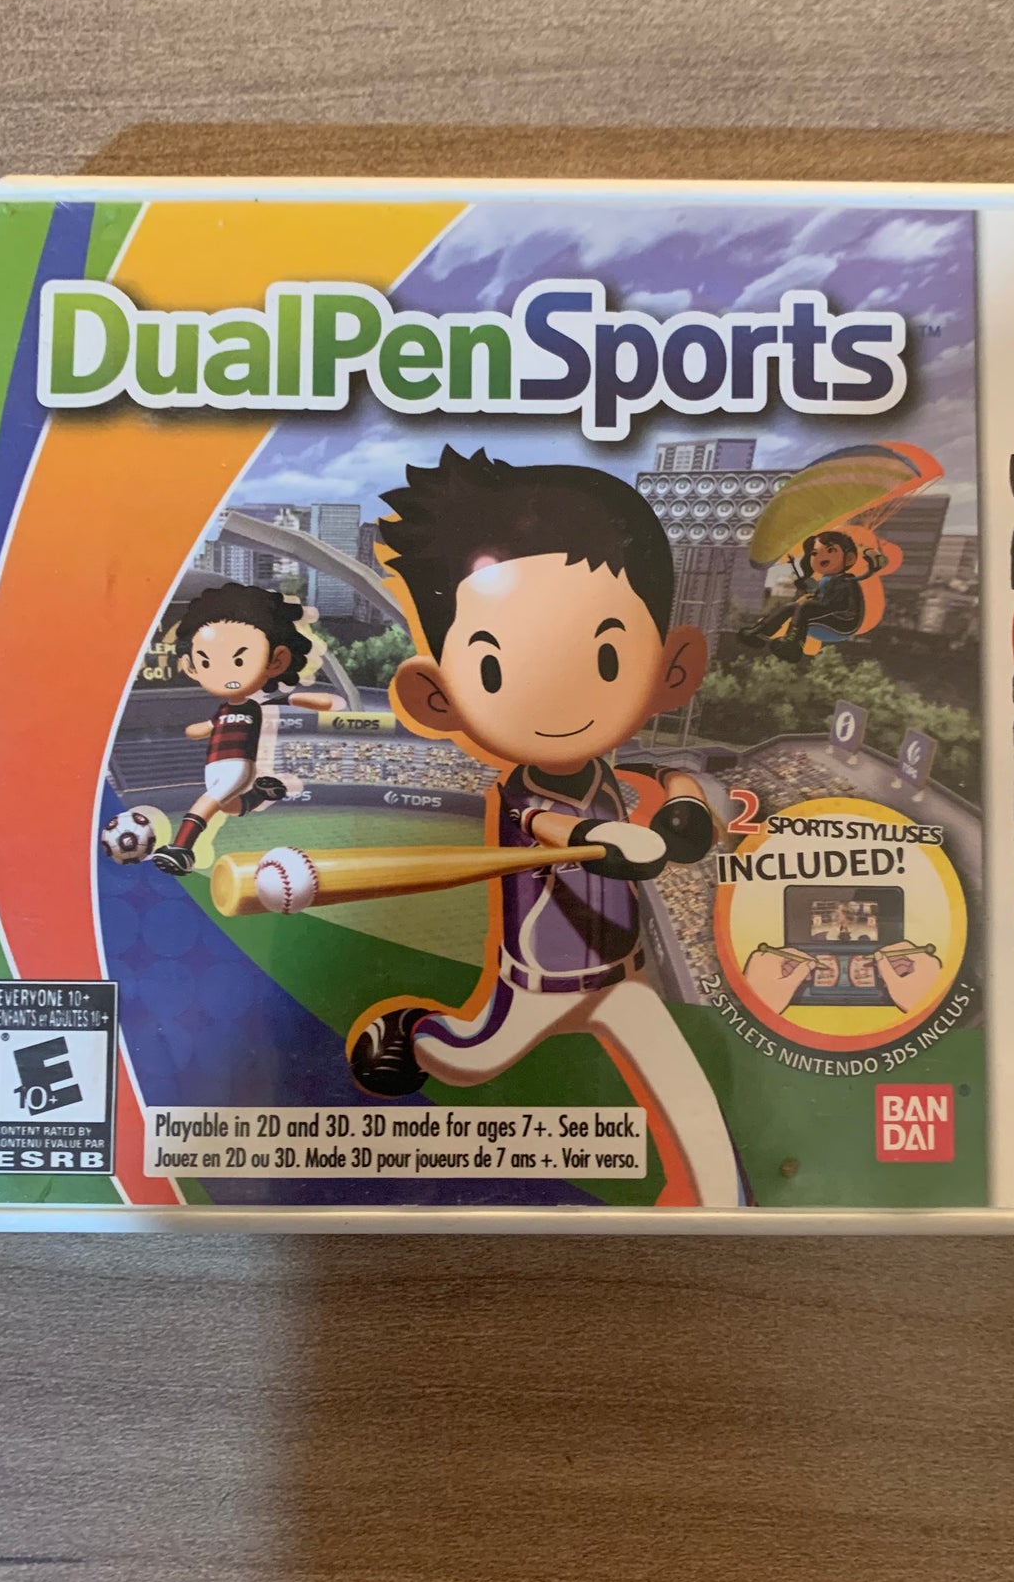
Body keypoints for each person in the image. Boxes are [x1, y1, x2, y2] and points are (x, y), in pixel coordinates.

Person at [348, 446, 741, 1209]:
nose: (560, 697)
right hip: (532, 988)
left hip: (621, 979)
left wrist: (687, 807)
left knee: (692, 1106)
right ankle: (410, 1030)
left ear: (670, 668)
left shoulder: (616, 771)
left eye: (606, 655)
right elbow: (547, 824)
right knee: (463, 1059)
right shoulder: (521, 797)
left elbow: (673, 780)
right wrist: (603, 841)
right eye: (493, 669)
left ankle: (724, 1207)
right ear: (439, 697)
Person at [151, 583, 336, 876]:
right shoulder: (223, 710)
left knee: (207, 803)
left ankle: (181, 849)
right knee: (227, 806)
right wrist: (196, 730)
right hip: (213, 766)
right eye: (206, 662)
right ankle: (260, 795)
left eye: (238, 660)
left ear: (277, 660)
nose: (225, 673)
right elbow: (206, 728)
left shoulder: (255, 705)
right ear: (192, 666)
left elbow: (295, 699)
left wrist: (314, 701)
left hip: (237, 765)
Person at [741, 529, 887, 661]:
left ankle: (793, 644)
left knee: (805, 607)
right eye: (814, 553)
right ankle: (760, 632)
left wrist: (869, 554)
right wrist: (807, 594)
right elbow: (820, 597)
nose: (820, 557)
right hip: (827, 618)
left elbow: (838, 603)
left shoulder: (846, 580)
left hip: (844, 622)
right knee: (792, 606)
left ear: (849, 558)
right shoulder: (827, 579)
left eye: (830, 550)